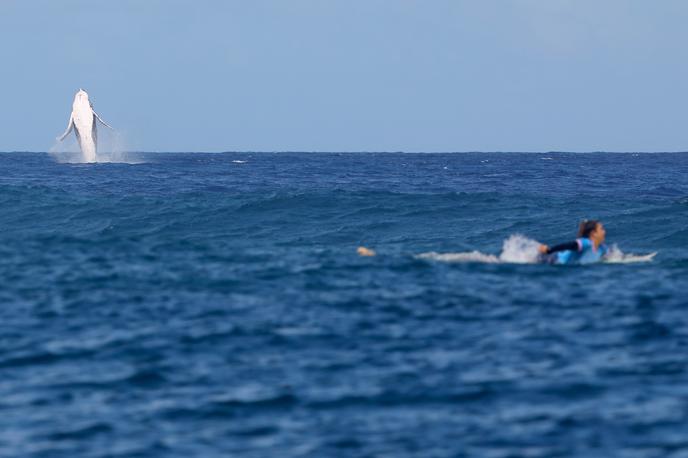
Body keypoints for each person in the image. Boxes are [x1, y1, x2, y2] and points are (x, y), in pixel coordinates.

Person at [538, 220, 609, 264]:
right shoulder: (586, 243)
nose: (604, 232)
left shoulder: (602, 248)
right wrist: (549, 251)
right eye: (601, 229)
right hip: (554, 259)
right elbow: (568, 245)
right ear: (593, 233)